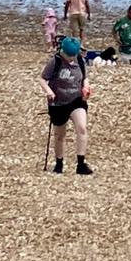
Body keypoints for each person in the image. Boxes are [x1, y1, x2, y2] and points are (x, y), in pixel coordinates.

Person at [40, 37, 92, 175]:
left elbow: (85, 77)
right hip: (58, 102)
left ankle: (81, 164)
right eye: (68, 55)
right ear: (62, 51)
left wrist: (86, 87)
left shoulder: (80, 60)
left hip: (76, 100)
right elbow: (42, 79)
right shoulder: (55, 61)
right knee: (59, 134)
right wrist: (49, 92)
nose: (70, 58)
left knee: (82, 128)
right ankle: (59, 163)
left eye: (73, 55)